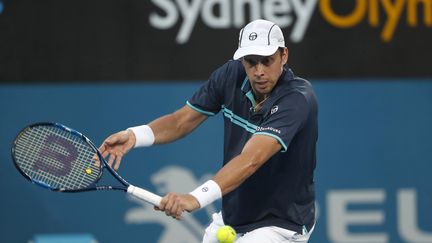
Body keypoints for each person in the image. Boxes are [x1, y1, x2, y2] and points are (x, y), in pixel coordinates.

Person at [99, 19, 318, 243]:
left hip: (281, 223)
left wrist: (194, 198)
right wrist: (135, 135)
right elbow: (180, 121)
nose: (259, 71)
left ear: (284, 56)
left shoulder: (297, 99)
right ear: (242, 60)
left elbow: (251, 159)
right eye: (251, 62)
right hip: (235, 215)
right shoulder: (231, 75)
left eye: (267, 61)